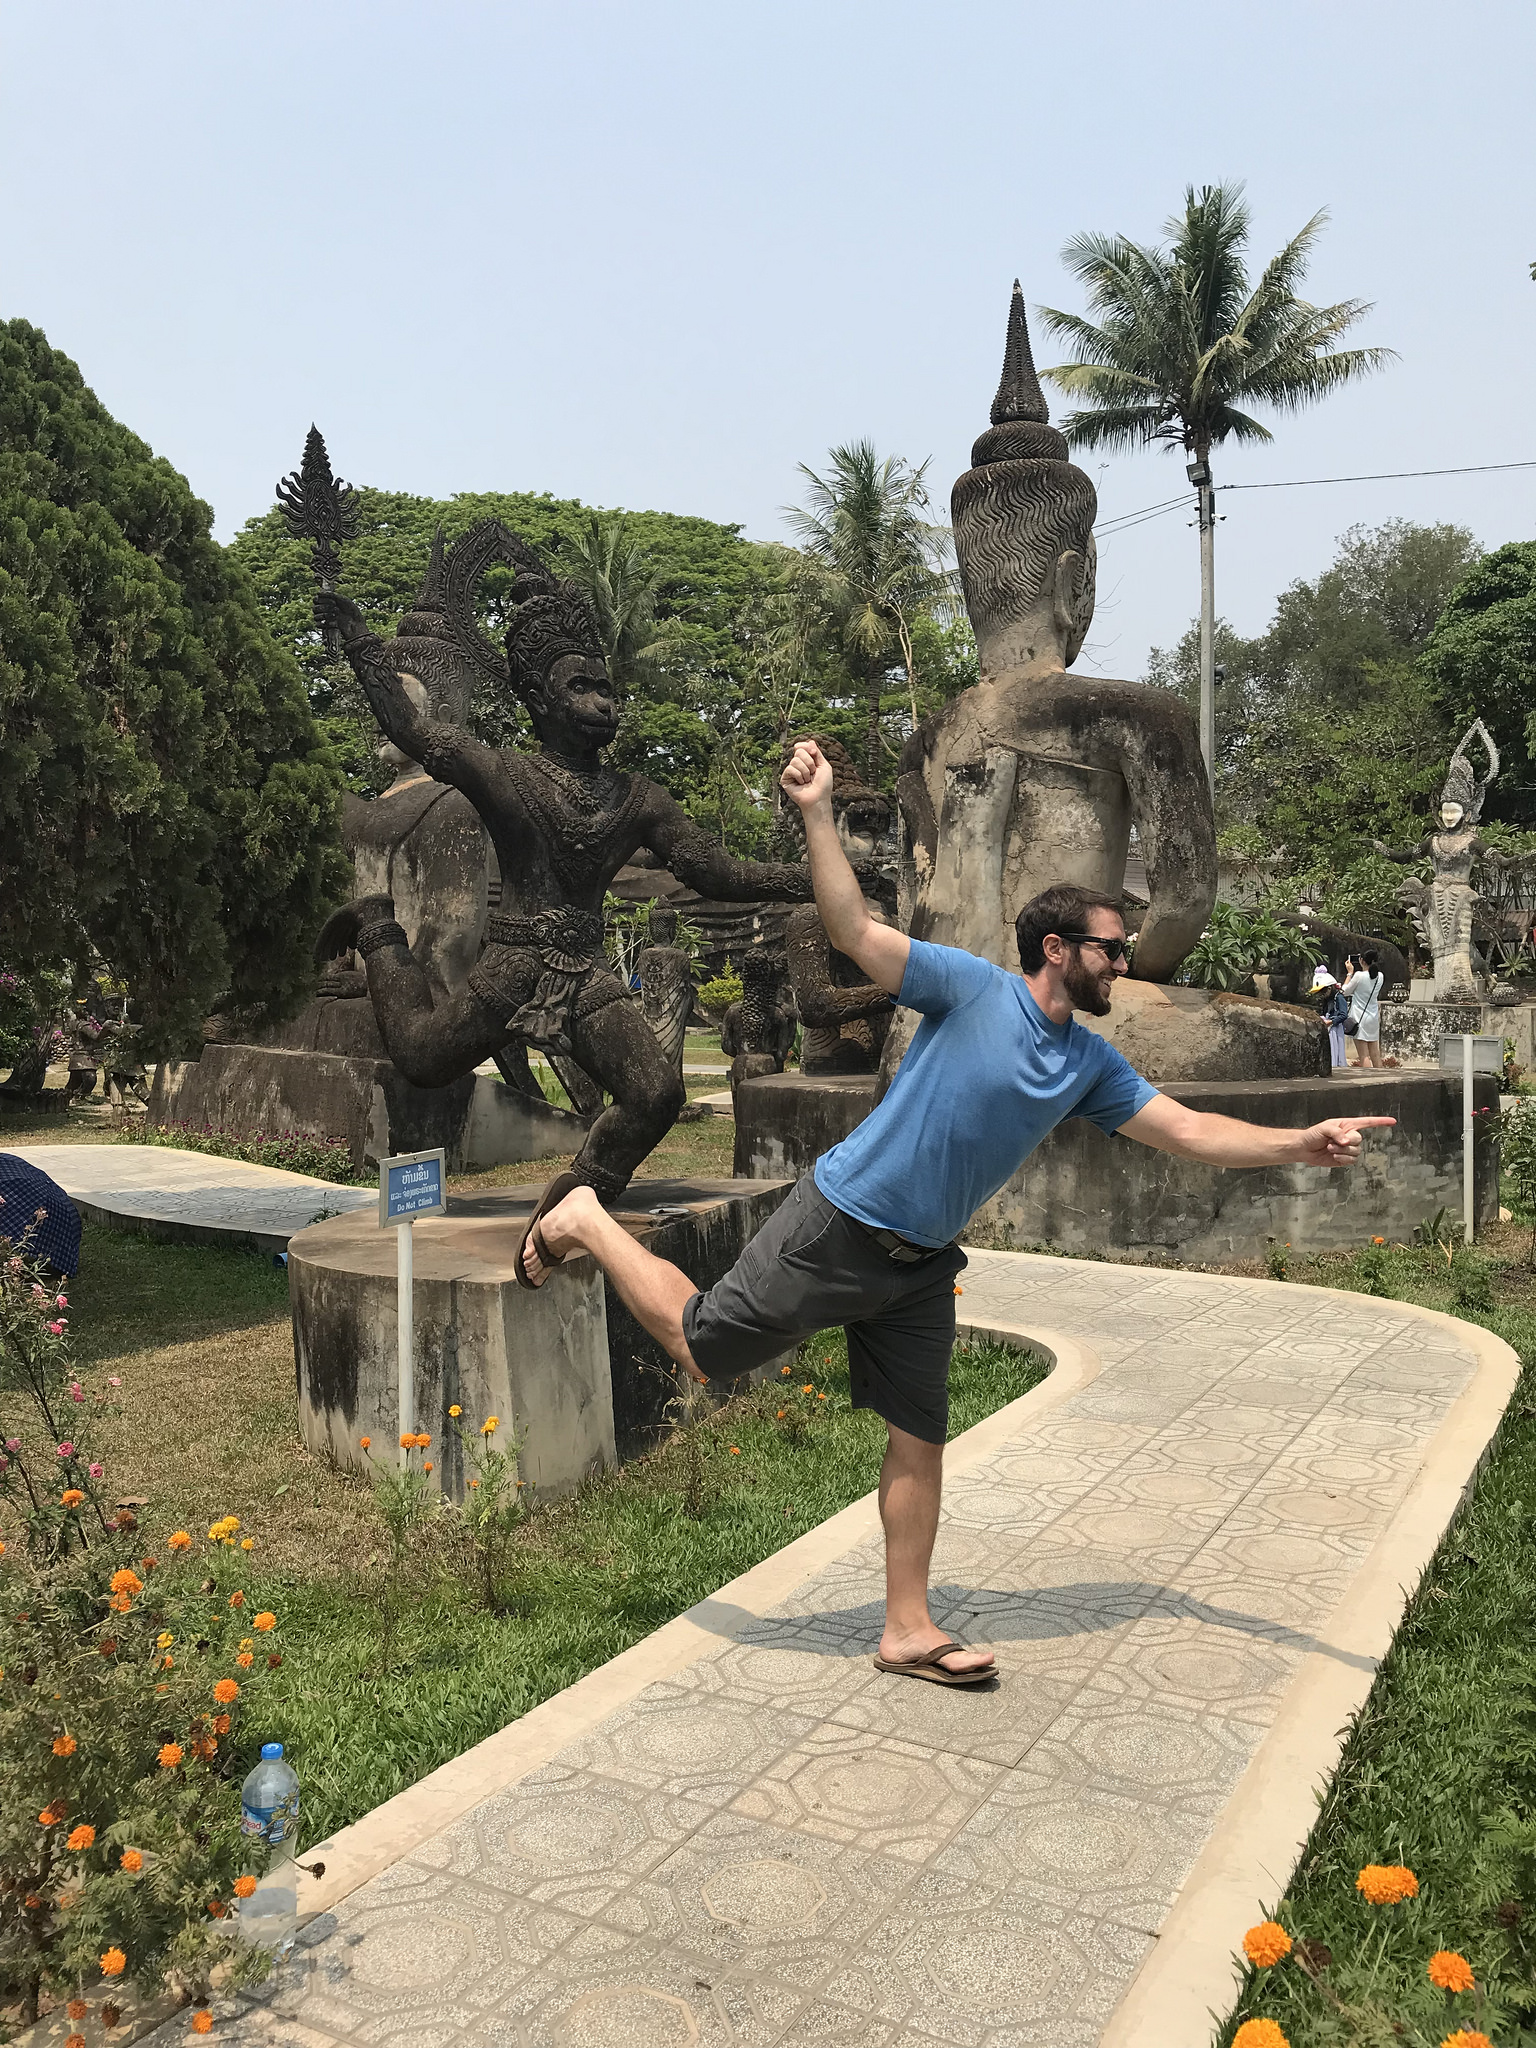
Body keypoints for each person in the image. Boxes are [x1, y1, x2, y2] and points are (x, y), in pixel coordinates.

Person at [519, 739, 1395, 1688]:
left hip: (921, 1262)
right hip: (842, 1221)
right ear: (1058, 951)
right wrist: (816, 811)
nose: (1124, 963)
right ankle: (587, 1221)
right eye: (1111, 948)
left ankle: (907, 1627)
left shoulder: (1088, 1064)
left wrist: (1296, 1143)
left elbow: (1183, 1131)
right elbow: (854, 930)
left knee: (919, 1437)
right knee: (702, 1347)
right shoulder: (972, 988)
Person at [1342, 950, 1386, 1069]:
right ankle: (1381, 1078)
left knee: (1363, 1055)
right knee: (1375, 1053)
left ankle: (1369, 1080)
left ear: (1361, 960)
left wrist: (1349, 973)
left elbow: (1344, 991)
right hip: (1373, 1017)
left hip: (1359, 1018)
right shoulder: (1380, 976)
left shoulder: (1359, 976)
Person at [1311, 966, 1350, 1070]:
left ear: (1329, 988)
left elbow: (1343, 1014)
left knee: (1336, 1050)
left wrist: (1332, 1021)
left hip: (1335, 1028)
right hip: (1329, 1027)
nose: (1321, 995)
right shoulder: (1327, 1000)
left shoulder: (1339, 997)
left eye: (1323, 992)